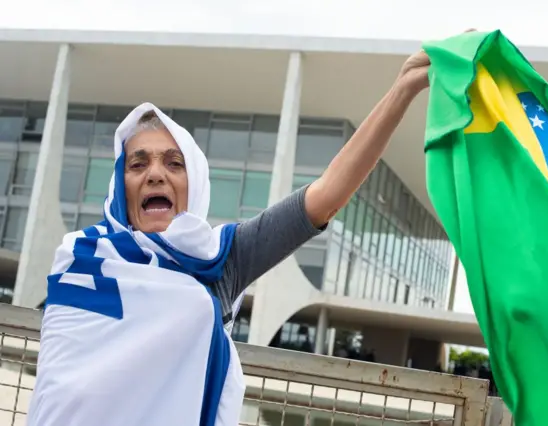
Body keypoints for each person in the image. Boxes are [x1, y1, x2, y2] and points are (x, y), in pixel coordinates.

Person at [26, 41, 438, 426]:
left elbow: (325, 196)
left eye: (174, 163)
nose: (155, 174)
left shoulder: (223, 260)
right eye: (138, 165)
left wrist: (403, 88)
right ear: (120, 184)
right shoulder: (79, 258)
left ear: (196, 183)